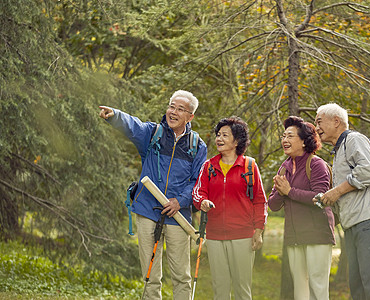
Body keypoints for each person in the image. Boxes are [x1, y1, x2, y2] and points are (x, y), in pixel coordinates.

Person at [99, 90, 207, 300]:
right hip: (148, 211)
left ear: (190, 116)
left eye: (180, 109)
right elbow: (133, 126)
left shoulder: (197, 145)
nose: (173, 112)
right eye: (171, 106)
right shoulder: (152, 133)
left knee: (181, 277)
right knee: (150, 276)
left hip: (178, 217)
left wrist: (180, 201)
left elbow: (197, 181)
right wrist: (115, 115)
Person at [314, 103, 370, 300]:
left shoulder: (354, 139)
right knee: (357, 287)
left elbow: (368, 172)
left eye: (319, 122)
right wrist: (327, 200)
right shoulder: (339, 150)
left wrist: (337, 191)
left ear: (336, 121)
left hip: (368, 221)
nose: (316, 128)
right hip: (353, 225)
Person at [192, 116, 267, 300]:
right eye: (218, 134)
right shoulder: (208, 166)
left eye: (225, 135)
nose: (219, 138)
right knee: (220, 289)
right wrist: (202, 201)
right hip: (216, 236)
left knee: (242, 290)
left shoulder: (249, 166)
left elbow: (260, 200)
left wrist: (258, 231)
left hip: (243, 236)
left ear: (237, 141)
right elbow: (197, 193)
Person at [268, 116, 335, 300]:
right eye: (283, 136)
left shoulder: (316, 164)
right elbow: (273, 205)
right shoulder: (284, 167)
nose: (284, 140)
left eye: (290, 136)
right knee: (300, 290)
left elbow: (320, 198)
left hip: (317, 235)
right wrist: (281, 193)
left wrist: (289, 191)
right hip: (294, 237)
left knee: (317, 288)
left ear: (305, 141)